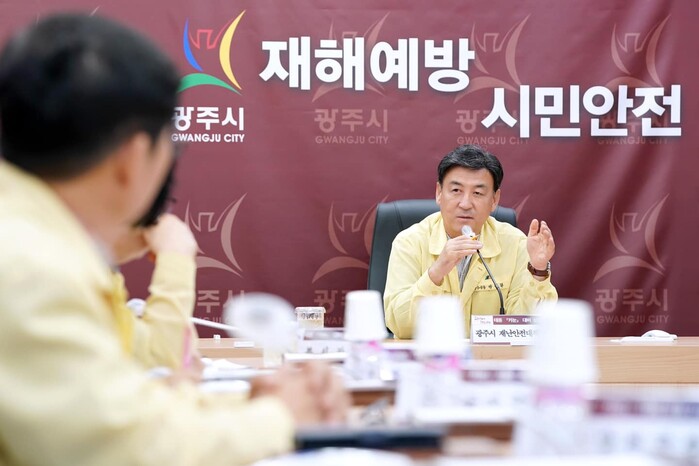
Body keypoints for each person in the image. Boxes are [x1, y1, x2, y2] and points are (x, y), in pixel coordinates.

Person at [0, 13, 348, 466]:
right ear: (132, 157)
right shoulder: (34, 267)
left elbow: (112, 412)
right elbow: (122, 451)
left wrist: (252, 405)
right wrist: (280, 418)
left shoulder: (31, 240)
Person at [384, 144, 558, 338]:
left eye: (477, 193)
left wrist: (538, 271)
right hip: (430, 355)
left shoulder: (516, 244)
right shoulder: (409, 242)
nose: (465, 204)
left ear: (494, 200)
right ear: (439, 193)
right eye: (456, 190)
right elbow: (400, 326)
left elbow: (526, 327)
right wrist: (436, 272)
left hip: (490, 356)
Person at [112, 213, 201, 371]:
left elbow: (185, 357)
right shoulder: (73, 275)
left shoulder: (100, 272)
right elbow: (164, 367)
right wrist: (175, 253)